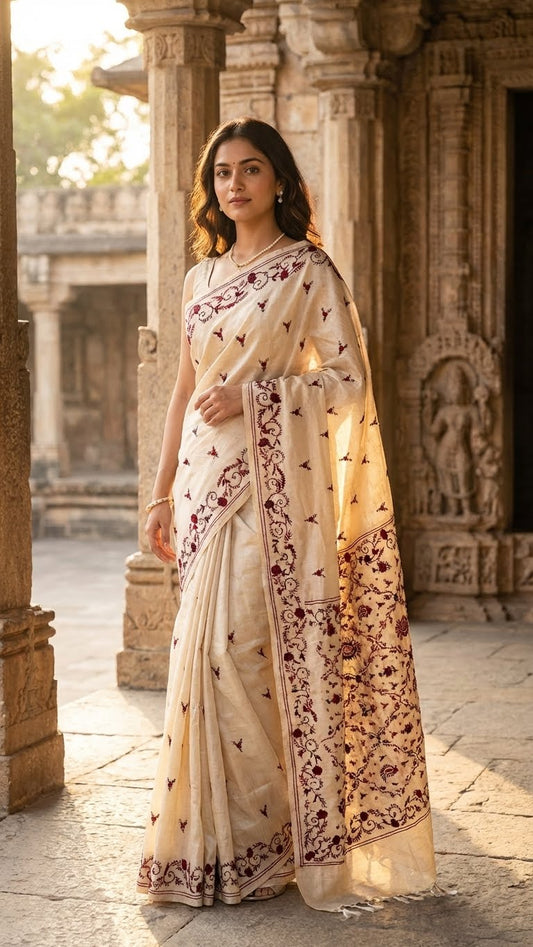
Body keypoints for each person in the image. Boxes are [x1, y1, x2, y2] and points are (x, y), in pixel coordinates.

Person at [137, 117, 436, 912]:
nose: (233, 184)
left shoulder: (307, 271)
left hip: (268, 490)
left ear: (279, 181)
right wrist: (160, 490)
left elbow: (346, 381)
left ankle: (273, 838)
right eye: (222, 172)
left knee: (239, 654)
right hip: (204, 486)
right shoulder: (201, 279)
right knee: (198, 658)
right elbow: (180, 389)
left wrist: (257, 397)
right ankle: (214, 843)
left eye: (251, 169)